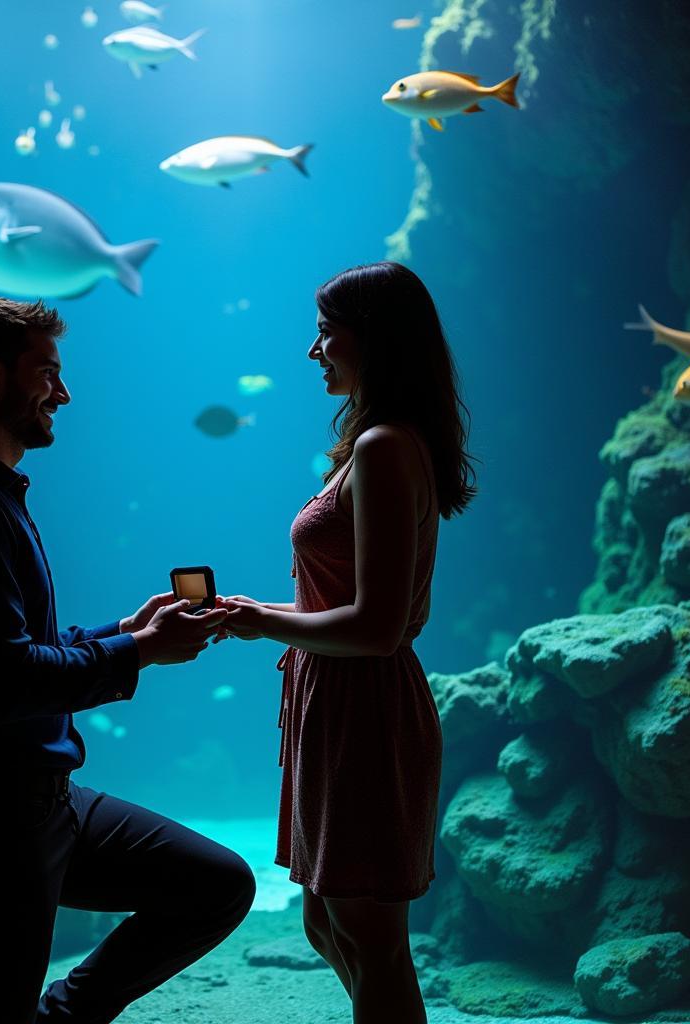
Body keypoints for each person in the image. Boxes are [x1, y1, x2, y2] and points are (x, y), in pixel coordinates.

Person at [0, 297, 254, 1024]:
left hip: (39, 803)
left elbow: (11, 650)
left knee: (216, 884)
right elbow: (3, 684)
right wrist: (139, 651)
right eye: (47, 371)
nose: (64, 392)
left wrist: (124, 628)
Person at [214, 262, 477, 1024]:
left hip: (366, 707)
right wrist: (255, 609)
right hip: (332, 700)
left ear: (376, 340)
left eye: (327, 332)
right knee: (327, 922)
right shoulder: (372, 443)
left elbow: (377, 625)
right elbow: (345, 604)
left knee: (370, 934)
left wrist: (265, 623)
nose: (313, 350)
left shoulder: (387, 447)